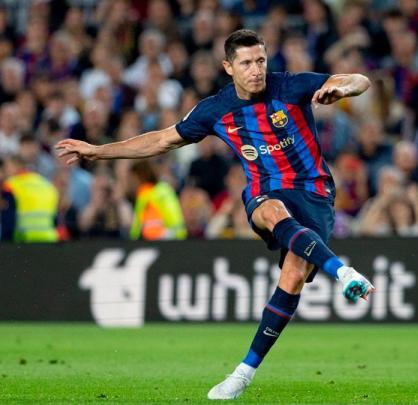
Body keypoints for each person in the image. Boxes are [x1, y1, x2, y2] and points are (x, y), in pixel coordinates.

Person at [55, 29, 375, 400]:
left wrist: (341, 88)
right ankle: (343, 272)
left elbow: (359, 80)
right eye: (246, 63)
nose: (256, 70)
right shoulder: (216, 109)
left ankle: (244, 372)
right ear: (228, 67)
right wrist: (99, 151)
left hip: (314, 191)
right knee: (272, 211)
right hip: (266, 189)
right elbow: (161, 140)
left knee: (293, 275)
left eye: (260, 61)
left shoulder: (290, 86)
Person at [1, 155, 59, 242]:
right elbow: (55, 218)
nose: (5, 171)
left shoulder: (11, 185)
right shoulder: (46, 184)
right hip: (49, 238)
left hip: (23, 239)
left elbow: (8, 218)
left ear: (16, 166)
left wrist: (5, 242)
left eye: (7, 167)